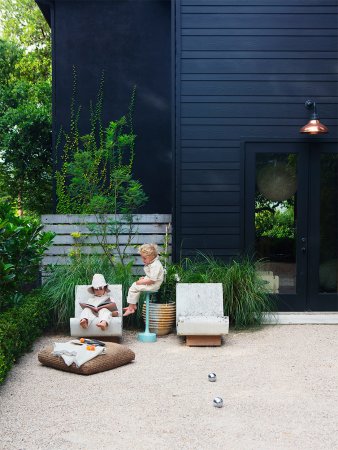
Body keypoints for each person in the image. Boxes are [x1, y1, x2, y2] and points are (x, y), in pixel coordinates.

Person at [123, 243, 164, 317]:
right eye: (142, 258)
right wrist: (144, 278)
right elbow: (151, 276)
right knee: (135, 285)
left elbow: (152, 280)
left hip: (154, 285)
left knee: (134, 287)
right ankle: (132, 306)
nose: (143, 260)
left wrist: (142, 282)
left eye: (144, 258)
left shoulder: (155, 265)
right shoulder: (152, 263)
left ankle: (131, 308)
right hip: (152, 282)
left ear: (152, 256)